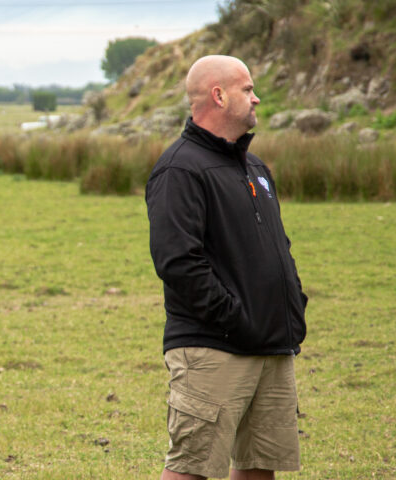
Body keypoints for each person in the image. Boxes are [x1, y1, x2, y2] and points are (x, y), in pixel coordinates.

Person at [147, 55, 308, 480]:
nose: (257, 98)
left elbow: (278, 247)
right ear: (218, 95)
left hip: (271, 344)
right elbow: (178, 262)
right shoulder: (179, 169)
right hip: (213, 347)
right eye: (248, 89)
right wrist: (234, 317)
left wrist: (292, 307)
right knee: (193, 470)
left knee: (259, 467)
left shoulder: (255, 167)